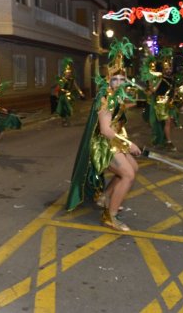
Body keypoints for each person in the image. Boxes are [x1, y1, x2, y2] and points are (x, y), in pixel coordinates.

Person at [66, 38, 141, 231]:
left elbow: (117, 122)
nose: (118, 82)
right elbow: (106, 130)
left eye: (121, 78)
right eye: (114, 78)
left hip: (114, 142)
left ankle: (106, 197)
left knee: (133, 168)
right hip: (103, 145)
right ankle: (110, 216)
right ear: (108, 79)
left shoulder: (118, 97)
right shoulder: (105, 99)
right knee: (128, 174)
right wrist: (129, 144)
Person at [55, 58, 85, 126]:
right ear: (65, 73)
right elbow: (59, 88)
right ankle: (64, 120)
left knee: (69, 108)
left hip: (69, 96)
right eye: (67, 73)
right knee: (63, 108)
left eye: (69, 73)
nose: (68, 74)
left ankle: (66, 120)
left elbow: (76, 86)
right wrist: (59, 93)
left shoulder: (72, 80)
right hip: (63, 96)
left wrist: (80, 92)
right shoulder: (62, 80)